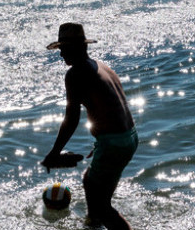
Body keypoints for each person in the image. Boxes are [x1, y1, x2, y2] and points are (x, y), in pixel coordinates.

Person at [42, 23, 137, 230]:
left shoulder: (75, 74)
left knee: (103, 207)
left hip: (114, 142)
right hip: (127, 137)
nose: (61, 55)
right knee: (90, 182)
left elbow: (71, 119)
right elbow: (112, 108)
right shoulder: (101, 66)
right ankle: (92, 224)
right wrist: (103, 142)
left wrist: (54, 153)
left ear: (77, 47)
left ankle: (97, 219)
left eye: (63, 49)